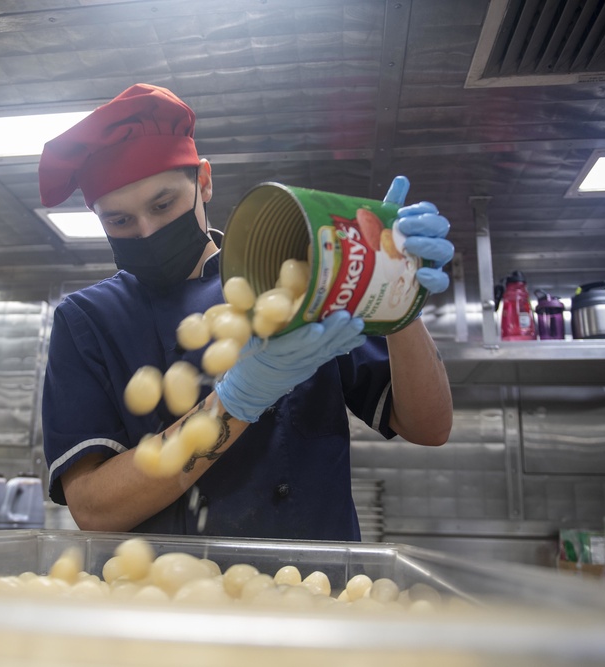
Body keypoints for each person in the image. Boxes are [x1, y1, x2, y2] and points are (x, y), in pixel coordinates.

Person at [38, 83, 454, 541]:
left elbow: (429, 427)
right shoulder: (88, 320)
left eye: (163, 204)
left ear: (204, 180)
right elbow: (94, 510)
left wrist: (395, 289)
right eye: (119, 221)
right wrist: (236, 400)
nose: (148, 231)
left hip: (315, 588)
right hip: (169, 599)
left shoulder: (296, 274)